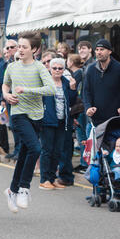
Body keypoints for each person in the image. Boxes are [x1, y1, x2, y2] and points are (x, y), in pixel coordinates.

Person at [2, 31, 56, 212]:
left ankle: (12, 190)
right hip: (18, 113)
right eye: (19, 46)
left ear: (34, 49)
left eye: (24, 47)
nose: (20, 49)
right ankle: (24, 188)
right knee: (35, 148)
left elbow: (51, 89)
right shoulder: (12, 67)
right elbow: (5, 84)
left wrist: (27, 90)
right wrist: (6, 95)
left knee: (25, 154)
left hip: (37, 116)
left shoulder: (39, 67)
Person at [39, 58, 77, 190]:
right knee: (47, 151)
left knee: (57, 152)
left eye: (60, 68)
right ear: (49, 68)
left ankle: (52, 178)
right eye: (54, 68)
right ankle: (44, 179)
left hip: (63, 122)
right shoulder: (44, 82)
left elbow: (72, 102)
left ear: (64, 69)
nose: (57, 70)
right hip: (48, 121)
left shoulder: (66, 82)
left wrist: (73, 89)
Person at [84, 39, 120, 127]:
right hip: (96, 122)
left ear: (110, 51)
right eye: (97, 49)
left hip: (116, 121)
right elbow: (86, 92)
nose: (99, 52)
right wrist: (88, 107)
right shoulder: (91, 69)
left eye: (102, 49)